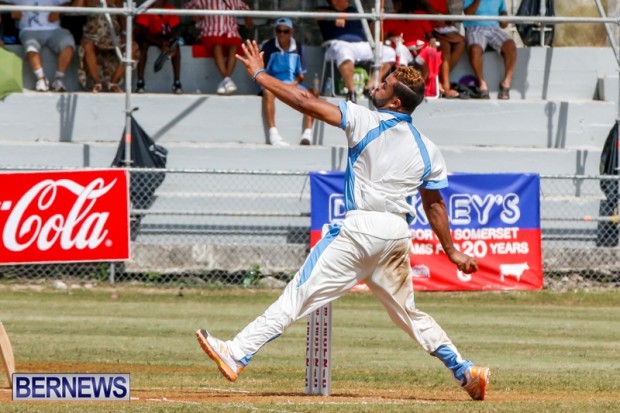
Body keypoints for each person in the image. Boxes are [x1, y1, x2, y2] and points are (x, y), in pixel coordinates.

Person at [194, 38, 491, 402]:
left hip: (361, 228)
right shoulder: (428, 148)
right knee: (409, 315)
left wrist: (260, 75)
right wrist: (453, 251)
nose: (376, 86)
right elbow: (435, 206)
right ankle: (465, 371)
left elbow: (305, 102)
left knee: (299, 294)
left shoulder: (365, 119)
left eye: (384, 85)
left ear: (396, 102)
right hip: (396, 235)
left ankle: (237, 352)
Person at [316, 0, 396, 103]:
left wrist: (377, 21)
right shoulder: (323, 10)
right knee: (345, 52)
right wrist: (338, 15)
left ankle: (369, 87)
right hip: (338, 44)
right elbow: (316, 15)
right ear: (334, 1)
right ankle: (351, 91)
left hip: (360, 45)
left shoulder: (353, 10)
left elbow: (370, 28)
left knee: (389, 52)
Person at [7, 0, 83, 92]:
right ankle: (41, 79)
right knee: (31, 48)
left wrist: (59, 11)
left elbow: (67, 2)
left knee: (68, 45)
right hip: (29, 30)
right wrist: (11, 7)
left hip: (54, 29)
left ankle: (58, 80)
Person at [260, 17, 314, 147]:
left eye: (285, 31)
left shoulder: (299, 47)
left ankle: (307, 133)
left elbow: (301, 75)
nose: (282, 34)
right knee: (267, 93)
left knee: (312, 94)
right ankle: (273, 134)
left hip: (292, 84)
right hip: (273, 84)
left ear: (291, 32)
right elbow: (262, 73)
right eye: (279, 31)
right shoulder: (268, 47)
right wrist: (276, 85)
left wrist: (292, 85)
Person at [184, 0, 253, 95]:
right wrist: (196, 13)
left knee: (234, 46)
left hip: (231, 31)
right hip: (210, 31)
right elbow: (187, 7)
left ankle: (226, 80)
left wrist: (248, 18)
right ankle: (227, 80)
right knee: (217, 45)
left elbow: (246, 8)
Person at [78, 0, 138, 93]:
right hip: (93, 35)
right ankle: (96, 83)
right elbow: (75, 10)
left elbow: (123, 16)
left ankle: (114, 83)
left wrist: (125, 33)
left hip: (113, 36)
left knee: (132, 47)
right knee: (87, 45)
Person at [463, 0, 517, 99]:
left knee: (511, 46)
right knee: (474, 50)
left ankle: (506, 83)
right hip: (475, 27)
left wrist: (504, 17)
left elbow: (503, 12)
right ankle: (482, 84)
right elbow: (468, 13)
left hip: (494, 28)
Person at [420, 0, 466, 98]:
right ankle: (446, 87)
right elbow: (425, 6)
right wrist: (438, 17)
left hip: (442, 29)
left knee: (461, 44)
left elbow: (446, 14)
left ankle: (440, 79)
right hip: (428, 31)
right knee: (445, 46)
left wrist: (447, 20)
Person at [134, 0, 182, 94]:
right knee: (143, 46)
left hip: (163, 36)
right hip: (147, 37)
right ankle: (140, 82)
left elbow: (174, 30)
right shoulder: (146, 8)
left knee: (176, 46)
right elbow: (144, 33)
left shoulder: (169, 8)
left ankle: (177, 83)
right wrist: (160, 43)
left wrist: (169, 44)